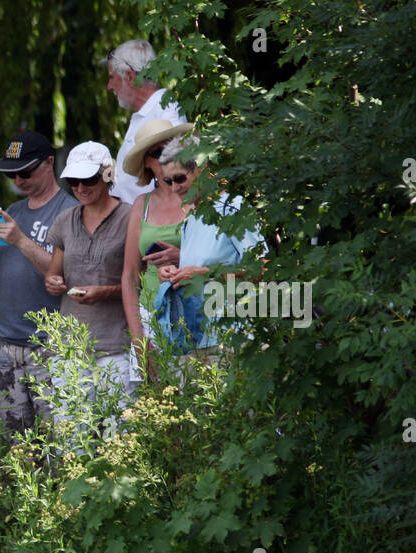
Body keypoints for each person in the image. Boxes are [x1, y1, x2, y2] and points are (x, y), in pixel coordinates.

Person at [0, 131, 78, 437]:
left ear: (48, 163)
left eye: (25, 172)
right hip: (5, 342)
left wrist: (20, 240)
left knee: (58, 440)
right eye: (11, 174)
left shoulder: (69, 212)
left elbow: (66, 276)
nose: (18, 180)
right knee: (16, 444)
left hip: (49, 345)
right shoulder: (13, 212)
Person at [43, 142, 135, 440]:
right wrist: (53, 282)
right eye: (74, 181)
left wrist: (106, 292)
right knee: (73, 441)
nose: (81, 187)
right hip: (70, 346)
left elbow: (142, 280)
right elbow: (53, 275)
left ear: (108, 175)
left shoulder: (131, 216)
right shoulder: (65, 220)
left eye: (89, 179)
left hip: (116, 345)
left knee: (119, 440)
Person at [152, 134, 266, 367]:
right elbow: (195, 274)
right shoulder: (192, 218)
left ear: (201, 168)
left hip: (234, 337)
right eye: (167, 181)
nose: (174, 188)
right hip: (197, 338)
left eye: (180, 178)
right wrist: (174, 274)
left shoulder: (232, 207)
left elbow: (261, 268)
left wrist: (206, 274)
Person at [119, 118, 195, 381]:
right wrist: (139, 339)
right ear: (147, 164)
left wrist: (182, 257)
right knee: (154, 411)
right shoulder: (141, 204)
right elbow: (129, 276)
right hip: (151, 315)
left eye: (170, 147)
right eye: (156, 152)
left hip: (196, 312)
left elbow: (221, 256)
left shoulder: (197, 198)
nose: (165, 156)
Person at [104, 40, 187, 205]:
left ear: (129, 76)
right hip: (137, 216)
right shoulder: (147, 112)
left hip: (155, 220)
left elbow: (179, 168)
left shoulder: (166, 109)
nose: (109, 86)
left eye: (112, 78)